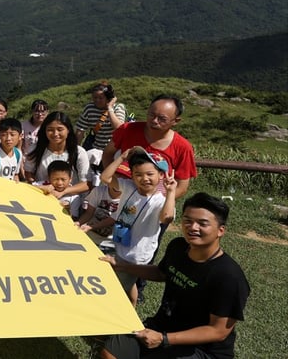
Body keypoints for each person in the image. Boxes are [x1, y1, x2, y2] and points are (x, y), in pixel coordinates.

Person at [100, 193, 250, 359]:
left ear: (220, 230)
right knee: (110, 353)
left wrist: (164, 339)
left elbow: (219, 331)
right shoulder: (178, 246)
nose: (192, 227)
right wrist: (121, 267)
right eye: (187, 220)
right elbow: (161, 272)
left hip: (202, 350)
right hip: (162, 327)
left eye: (202, 223)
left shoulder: (228, 277)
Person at [99, 147, 178, 305]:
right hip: (119, 242)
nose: (144, 179)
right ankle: (133, 307)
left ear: (161, 175)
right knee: (127, 283)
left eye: (150, 174)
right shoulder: (128, 187)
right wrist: (121, 158)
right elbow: (105, 177)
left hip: (136, 253)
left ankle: (125, 314)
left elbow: (167, 218)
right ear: (132, 176)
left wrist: (171, 192)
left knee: (120, 285)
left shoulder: (161, 201)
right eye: (138, 174)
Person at [103, 95, 197, 199]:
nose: (155, 121)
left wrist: (158, 202)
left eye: (162, 119)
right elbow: (108, 153)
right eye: (151, 115)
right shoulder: (127, 129)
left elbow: (181, 187)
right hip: (119, 193)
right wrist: (113, 185)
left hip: (155, 201)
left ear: (176, 121)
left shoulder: (183, 147)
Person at [21, 111, 91, 203]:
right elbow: (29, 173)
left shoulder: (78, 152)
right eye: (50, 129)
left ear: (68, 130)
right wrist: (39, 187)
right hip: (43, 199)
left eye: (60, 129)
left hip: (71, 202)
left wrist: (63, 192)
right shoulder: (35, 149)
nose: (55, 134)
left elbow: (86, 184)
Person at [75, 81, 126, 158]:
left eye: (100, 98)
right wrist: (76, 149)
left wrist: (110, 108)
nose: (97, 100)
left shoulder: (118, 108)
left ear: (108, 98)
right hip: (96, 150)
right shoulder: (89, 108)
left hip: (115, 150)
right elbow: (80, 130)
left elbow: (119, 128)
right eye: (95, 97)